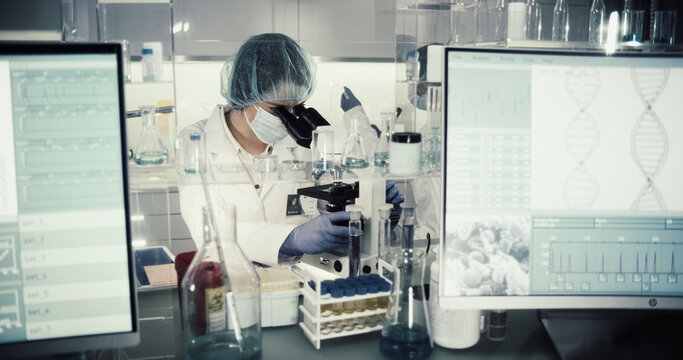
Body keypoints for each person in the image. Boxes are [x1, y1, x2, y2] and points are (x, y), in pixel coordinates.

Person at [178, 33, 403, 267]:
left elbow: (330, 206)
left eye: (296, 107)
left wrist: (376, 212)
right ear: (246, 94)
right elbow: (209, 233)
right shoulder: (196, 141)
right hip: (230, 282)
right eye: (278, 109)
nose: (288, 119)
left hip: (298, 280)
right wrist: (291, 239)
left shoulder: (300, 142)